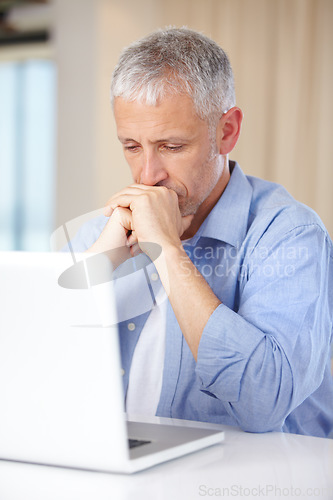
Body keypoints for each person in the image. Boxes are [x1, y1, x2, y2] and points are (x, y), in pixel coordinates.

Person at [68, 27, 333, 438]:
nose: (148, 175)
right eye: (132, 146)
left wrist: (168, 253)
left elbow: (263, 405)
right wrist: (98, 264)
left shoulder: (291, 236)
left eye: (171, 146)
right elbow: (32, 373)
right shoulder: (98, 233)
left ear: (226, 131)